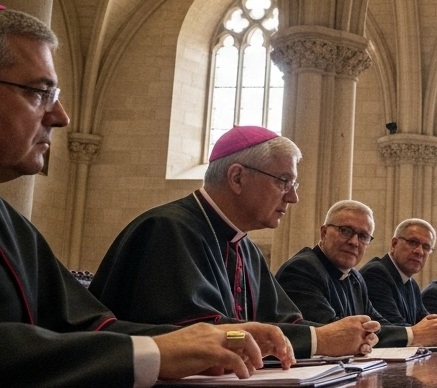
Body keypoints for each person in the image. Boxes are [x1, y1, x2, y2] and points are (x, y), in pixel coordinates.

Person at [0, 0, 293, 388]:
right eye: (40, 93)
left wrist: (225, 337)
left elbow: (89, 326)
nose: (61, 116)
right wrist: (152, 353)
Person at [90, 126, 379, 358]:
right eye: (283, 181)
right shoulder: (167, 230)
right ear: (238, 177)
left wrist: (344, 336)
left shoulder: (246, 248)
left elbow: (283, 322)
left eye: (294, 185)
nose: (293, 197)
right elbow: (197, 334)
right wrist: (319, 339)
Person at [274, 199, 407, 349]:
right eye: (345, 231)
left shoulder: (355, 278)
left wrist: (413, 334)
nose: (354, 242)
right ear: (324, 233)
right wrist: (412, 334)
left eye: (363, 236)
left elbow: (378, 324)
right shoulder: (302, 269)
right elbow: (334, 332)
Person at [361, 219, 437, 346]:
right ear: (394, 244)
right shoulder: (376, 273)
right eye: (412, 242)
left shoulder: (411, 283)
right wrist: (432, 332)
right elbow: (392, 327)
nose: (419, 251)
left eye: (426, 247)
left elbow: (425, 320)